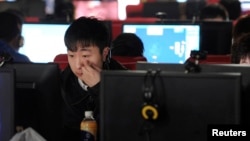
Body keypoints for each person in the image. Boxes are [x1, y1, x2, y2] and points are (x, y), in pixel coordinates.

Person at [60, 16, 127, 141]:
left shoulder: (124, 81)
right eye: (71, 55)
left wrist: (99, 88)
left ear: (104, 53)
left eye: (85, 55)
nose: (78, 64)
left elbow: (124, 128)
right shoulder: (61, 83)